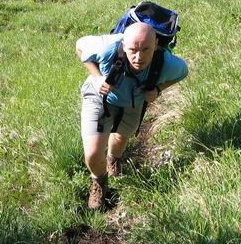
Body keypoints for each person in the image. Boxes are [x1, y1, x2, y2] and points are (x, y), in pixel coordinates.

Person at [76, 22, 189, 209]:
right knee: (93, 153)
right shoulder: (108, 48)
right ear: (123, 44)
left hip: (133, 102)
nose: (139, 57)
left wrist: (158, 89)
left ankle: (113, 160)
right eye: (133, 49)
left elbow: (182, 72)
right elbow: (80, 46)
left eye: (146, 49)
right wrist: (97, 78)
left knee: (120, 139)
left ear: (156, 44)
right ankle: (99, 182)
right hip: (99, 98)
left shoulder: (165, 62)